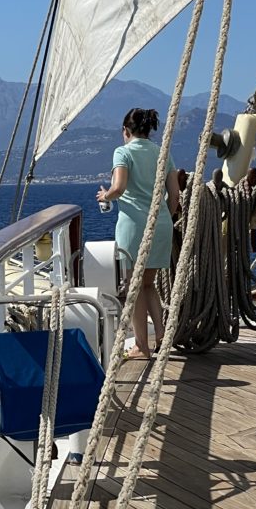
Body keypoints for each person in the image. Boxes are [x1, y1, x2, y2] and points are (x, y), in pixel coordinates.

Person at [96, 108, 180, 360]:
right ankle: (162, 335)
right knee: (148, 284)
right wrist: (166, 217)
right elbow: (174, 195)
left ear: (126, 130)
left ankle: (141, 346)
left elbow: (119, 187)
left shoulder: (122, 152)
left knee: (134, 286)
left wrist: (104, 196)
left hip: (134, 226)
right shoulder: (162, 153)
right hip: (161, 224)